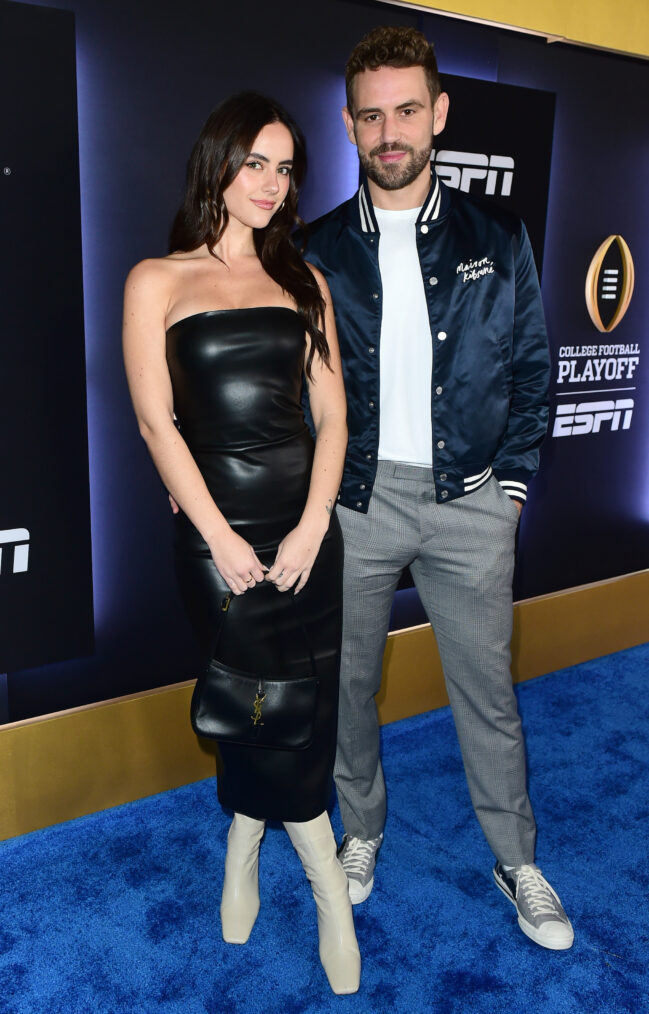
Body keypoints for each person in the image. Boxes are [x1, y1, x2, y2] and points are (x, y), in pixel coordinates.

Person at [304, 26, 574, 951]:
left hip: (470, 504)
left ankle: (516, 858)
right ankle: (362, 832)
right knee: (348, 687)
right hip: (357, 506)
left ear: (438, 115)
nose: (390, 132)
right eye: (371, 115)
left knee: (487, 692)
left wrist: (510, 492)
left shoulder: (497, 236)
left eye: (407, 111)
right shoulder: (312, 252)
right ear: (347, 125)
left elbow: (535, 370)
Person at [123, 92, 360, 995]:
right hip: (215, 543)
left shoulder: (305, 281)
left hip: (307, 536)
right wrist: (220, 536)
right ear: (218, 163)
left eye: (286, 167)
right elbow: (155, 424)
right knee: (250, 704)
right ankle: (326, 886)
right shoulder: (158, 279)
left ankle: (245, 840)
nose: (271, 183)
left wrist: (310, 525)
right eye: (255, 162)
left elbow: (333, 421)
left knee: (306, 709)